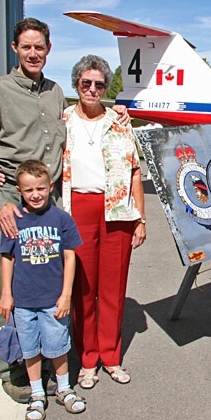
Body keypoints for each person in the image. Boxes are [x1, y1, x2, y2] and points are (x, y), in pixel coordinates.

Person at [0, 17, 129, 403]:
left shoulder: (55, 94)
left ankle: (52, 357)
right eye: (26, 47)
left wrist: (120, 110)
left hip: (49, 207)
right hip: (10, 208)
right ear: (15, 49)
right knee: (6, 291)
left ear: (48, 50)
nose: (33, 53)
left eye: (40, 47)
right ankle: (13, 369)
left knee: (50, 285)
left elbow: (87, 119)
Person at [62, 55, 147, 390]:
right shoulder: (63, 119)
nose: (93, 89)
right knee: (83, 288)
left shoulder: (119, 121)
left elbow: (135, 170)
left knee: (113, 288)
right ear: (77, 84)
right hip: (78, 208)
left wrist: (141, 218)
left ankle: (111, 357)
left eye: (99, 84)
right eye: (86, 83)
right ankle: (87, 360)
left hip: (116, 211)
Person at [0, 160, 85, 420]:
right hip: (24, 301)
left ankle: (64, 388)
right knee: (30, 349)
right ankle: (37, 394)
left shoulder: (61, 219)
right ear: (19, 191)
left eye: (40, 188)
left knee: (58, 346)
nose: (35, 194)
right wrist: (6, 293)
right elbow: (7, 258)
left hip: (53, 299)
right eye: (28, 190)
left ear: (50, 187)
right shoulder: (15, 221)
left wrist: (66, 294)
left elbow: (70, 258)